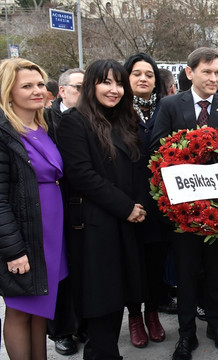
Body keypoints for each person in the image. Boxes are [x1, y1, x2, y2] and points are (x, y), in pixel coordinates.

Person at [150, 47, 218, 360]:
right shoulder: (170, 105)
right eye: (207, 72)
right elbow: (156, 149)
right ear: (190, 73)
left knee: (215, 270)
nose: (215, 78)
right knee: (187, 273)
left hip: (217, 209)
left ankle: (216, 326)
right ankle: (186, 335)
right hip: (182, 209)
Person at [57, 59, 147, 359]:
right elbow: (82, 175)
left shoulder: (123, 121)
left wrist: (140, 205)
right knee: (100, 303)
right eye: (106, 82)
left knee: (118, 297)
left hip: (125, 222)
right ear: (91, 86)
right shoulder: (75, 121)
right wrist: (126, 207)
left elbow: (137, 169)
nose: (114, 89)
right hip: (96, 226)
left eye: (119, 83)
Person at [0, 58, 67, 360]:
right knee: (19, 310)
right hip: (24, 233)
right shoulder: (4, 133)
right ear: (8, 91)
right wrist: (13, 250)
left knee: (42, 308)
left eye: (40, 84)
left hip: (51, 233)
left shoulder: (45, 124)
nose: (38, 90)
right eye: (27, 86)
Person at [123, 52, 168, 349]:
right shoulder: (116, 110)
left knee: (156, 262)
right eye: (137, 73)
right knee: (132, 262)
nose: (143, 79)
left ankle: (153, 312)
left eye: (149, 74)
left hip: (162, 201)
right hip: (128, 201)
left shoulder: (166, 108)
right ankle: (135, 316)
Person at [44, 67, 86, 356]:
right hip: (53, 204)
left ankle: (81, 322)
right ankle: (62, 331)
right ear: (62, 91)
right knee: (59, 273)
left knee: (81, 267)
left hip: (82, 206)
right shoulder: (46, 120)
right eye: (78, 88)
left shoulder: (91, 119)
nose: (83, 94)